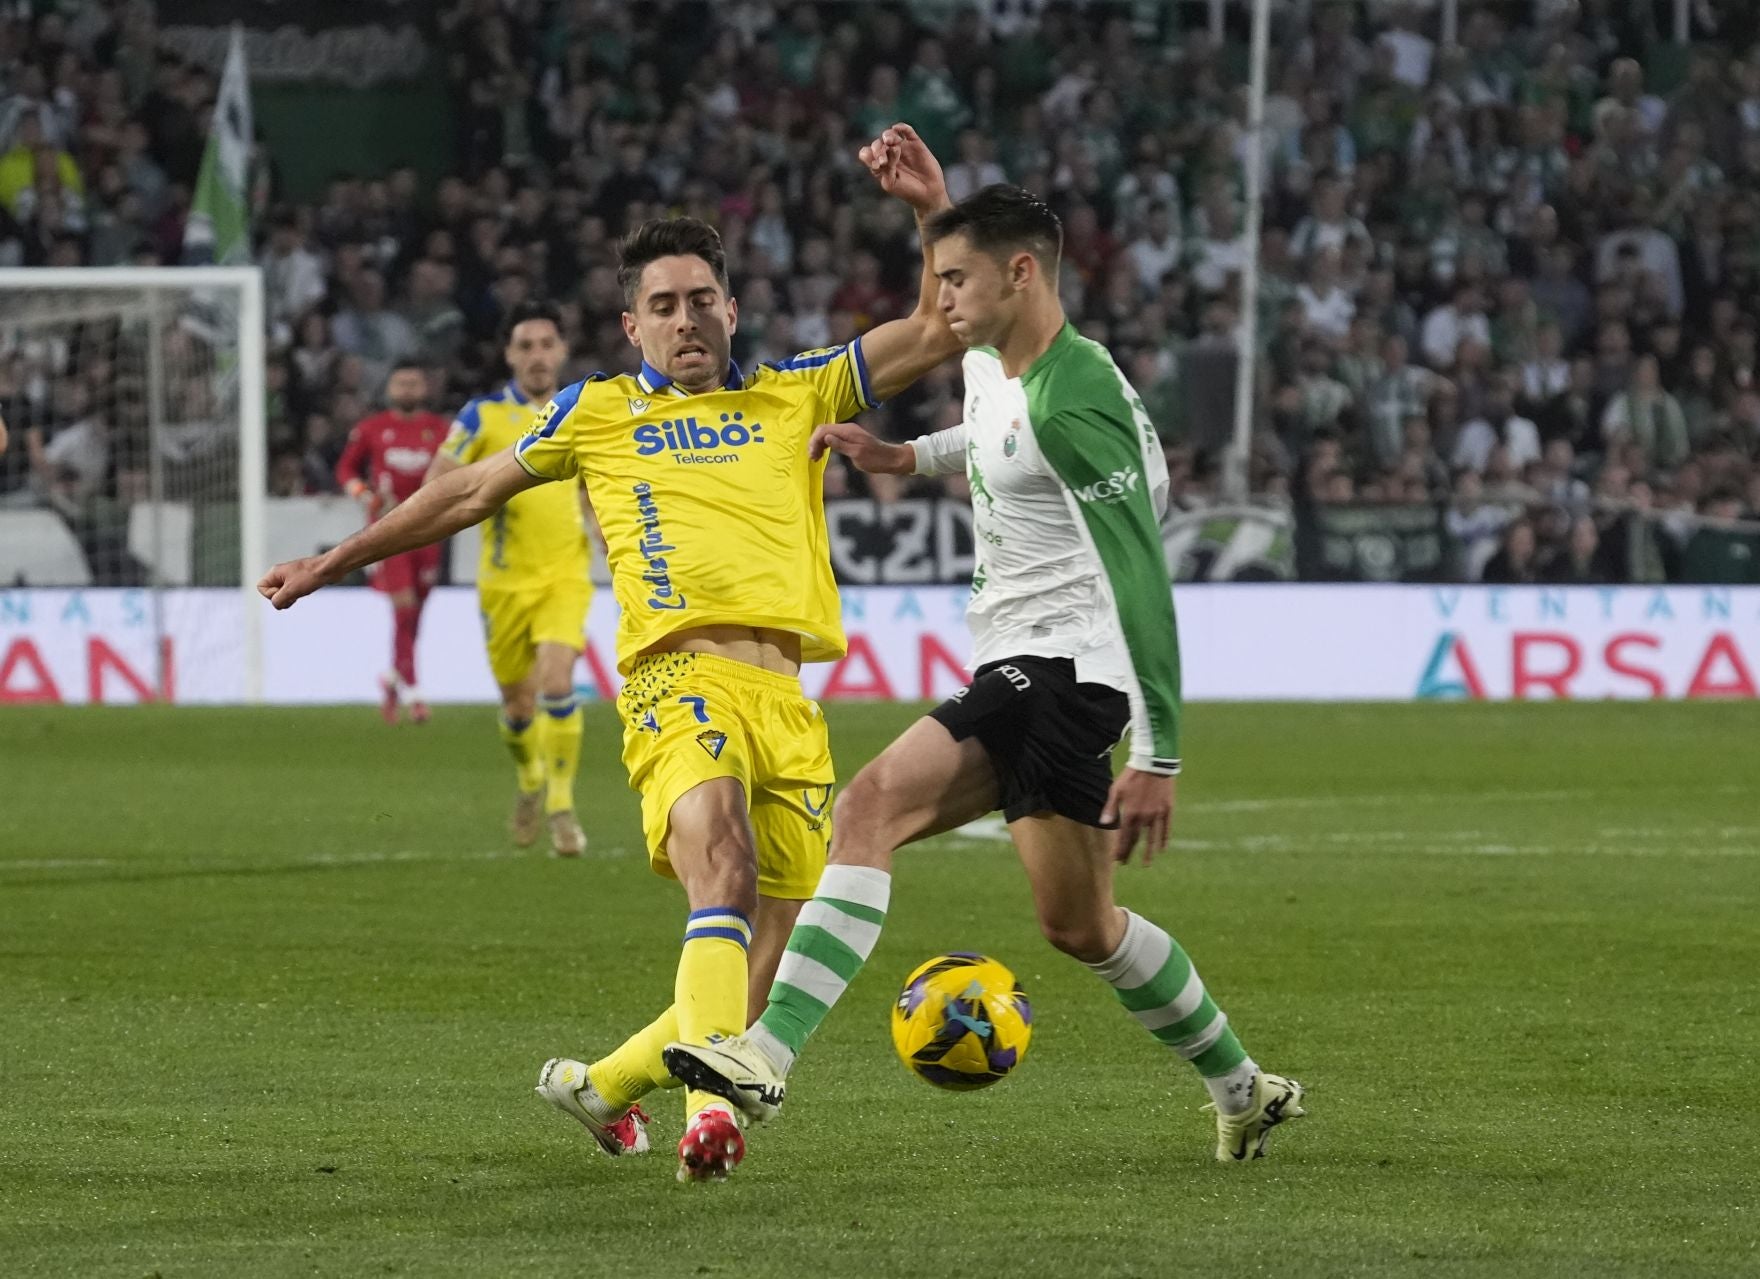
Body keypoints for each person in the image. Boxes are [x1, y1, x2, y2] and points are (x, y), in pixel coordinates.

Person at [258, 124, 965, 1183]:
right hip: (676, 679)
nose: (686, 320)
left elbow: (939, 328)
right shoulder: (596, 412)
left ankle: (598, 1086)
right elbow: (466, 488)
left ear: (731, 306)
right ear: (631, 323)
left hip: (789, 703)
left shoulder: (800, 390)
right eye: (664, 306)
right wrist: (340, 556)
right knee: (716, 858)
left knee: (758, 977)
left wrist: (930, 210)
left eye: (702, 299)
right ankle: (708, 1123)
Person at [663, 185, 1305, 1167]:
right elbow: (993, 436)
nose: (938, 296)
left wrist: (1161, 752)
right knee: (1081, 924)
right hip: (1027, 658)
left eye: (955, 278)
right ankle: (1242, 1087)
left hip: (1062, 666)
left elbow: (1141, 575)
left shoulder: (1074, 399)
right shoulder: (995, 358)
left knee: (869, 806)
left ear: (1022, 277)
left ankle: (764, 1051)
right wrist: (906, 454)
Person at [423, 301, 598, 857]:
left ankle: (562, 807)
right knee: (519, 706)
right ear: (509, 356)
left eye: (547, 344)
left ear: (562, 351)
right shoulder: (481, 417)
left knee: (556, 684)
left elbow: (600, 484)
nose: (538, 355)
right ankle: (529, 780)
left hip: (565, 576)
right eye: (526, 346)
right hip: (502, 584)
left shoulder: (585, 411)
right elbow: (439, 479)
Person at [334, 363, 451, 724]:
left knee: (414, 616)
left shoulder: (440, 430)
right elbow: (345, 470)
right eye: (401, 382)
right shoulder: (372, 428)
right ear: (390, 387)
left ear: (424, 388)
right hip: (387, 533)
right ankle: (415, 695)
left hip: (430, 531)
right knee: (402, 609)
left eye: (414, 381)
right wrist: (363, 494)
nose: (407, 388)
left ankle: (391, 680)